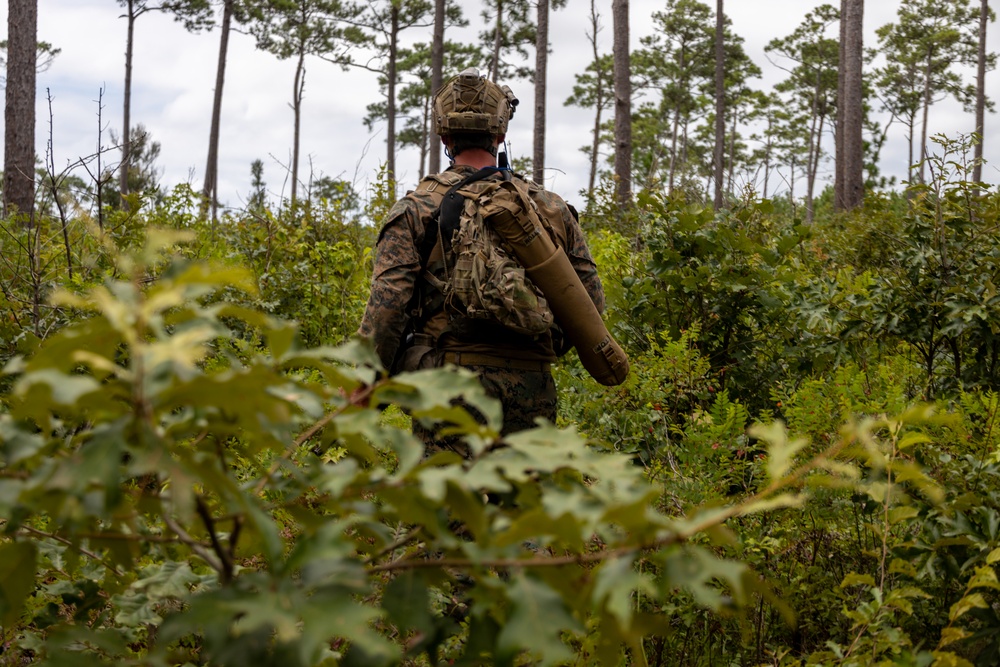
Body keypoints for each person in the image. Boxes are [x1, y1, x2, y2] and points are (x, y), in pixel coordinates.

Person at [357, 68, 606, 452]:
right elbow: (590, 304)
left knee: (445, 508)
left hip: (449, 386)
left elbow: (387, 307)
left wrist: (364, 384)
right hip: (533, 388)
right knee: (526, 509)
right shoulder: (551, 208)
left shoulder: (417, 208)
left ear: (444, 136)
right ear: (500, 134)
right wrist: (533, 349)